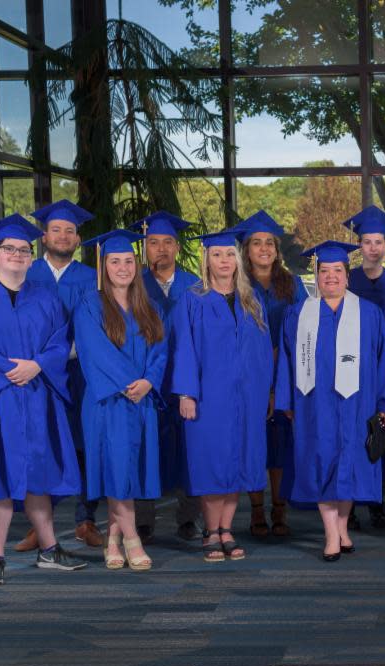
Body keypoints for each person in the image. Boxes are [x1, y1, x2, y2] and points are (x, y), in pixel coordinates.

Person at [0, 214, 88, 586]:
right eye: (9, 249)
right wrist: (10, 368)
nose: (16, 254)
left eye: (23, 250)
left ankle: (49, 549)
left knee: (37, 472)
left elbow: (60, 341)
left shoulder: (45, 298)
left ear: (31, 257)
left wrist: (37, 365)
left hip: (36, 396)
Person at [275, 240, 385, 562]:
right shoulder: (298, 314)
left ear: (347, 275)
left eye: (337, 271)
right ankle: (330, 534)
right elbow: (286, 361)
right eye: (324, 271)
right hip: (314, 406)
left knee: (351, 466)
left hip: (359, 405)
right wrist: (286, 400)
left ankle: (343, 529)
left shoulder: (369, 314)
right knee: (321, 463)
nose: (330, 277)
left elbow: (384, 361)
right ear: (316, 274)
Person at [171, 229, 273, 563]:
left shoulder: (251, 299)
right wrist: (186, 392)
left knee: (239, 463)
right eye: (217, 255)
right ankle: (210, 531)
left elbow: (262, 353)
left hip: (247, 397)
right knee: (212, 464)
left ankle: (227, 529)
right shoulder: (192, 298)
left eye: (229, 255)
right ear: (207, 260)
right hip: (207, 398)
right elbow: (183, 348)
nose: (224, 261)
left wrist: (266, 392)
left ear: (237, 260)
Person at [75, 230, 167, 571]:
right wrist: (131, 382)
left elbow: (160, 350)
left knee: (126, 471)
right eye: (115, 261)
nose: (123, 267)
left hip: (140, 401)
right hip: (108, 402)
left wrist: (149, 381)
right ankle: (132, 538)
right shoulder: (89, 304)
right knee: (115, 467)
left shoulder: (150, 306)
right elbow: (93, 352)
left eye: (129, 261)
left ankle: (112, 540)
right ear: (103, 266)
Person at [19, 199, 102, 550]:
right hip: (37, 375)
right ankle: (42, 524)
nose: (63, 235)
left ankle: (86, 520)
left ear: (78, 238)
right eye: (56, 230)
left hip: (80, 371)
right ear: (43, 236)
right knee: (43, 444)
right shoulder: (26, 272)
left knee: (84, 443)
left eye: (70, 230)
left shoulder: (90, 277)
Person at [128, 210, 202, 542]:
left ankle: (188, 517)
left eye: (168, 242)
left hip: (186, 381)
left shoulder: (195, 285)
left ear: (176, 247)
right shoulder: (133, 285)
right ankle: (144, 519)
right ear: (144, 247)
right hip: (147, 381)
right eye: (153, 242)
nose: (161, 249)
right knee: (146, 448)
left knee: (191, 448)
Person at [235, 209, 307, 538]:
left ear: (277, 251)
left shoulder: (291, 284)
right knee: (252, 444)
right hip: (247, 378)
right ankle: (255, 511)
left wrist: (281, 385)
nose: (264, 249)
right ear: (246, 249)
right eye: (257, 243)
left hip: (286, 374)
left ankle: (279, 510)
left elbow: (305, 331)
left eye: (270, 243)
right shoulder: (235, 286)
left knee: (279, 446)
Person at [344, 205, 385, 530]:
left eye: (378, 241)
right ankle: (349, 504)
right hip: (351, 371)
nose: (373, 248)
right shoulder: (346, 279)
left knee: (381, 436)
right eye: (367, 242)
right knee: (353, 437)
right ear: (360, 246)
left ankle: (378, 503)